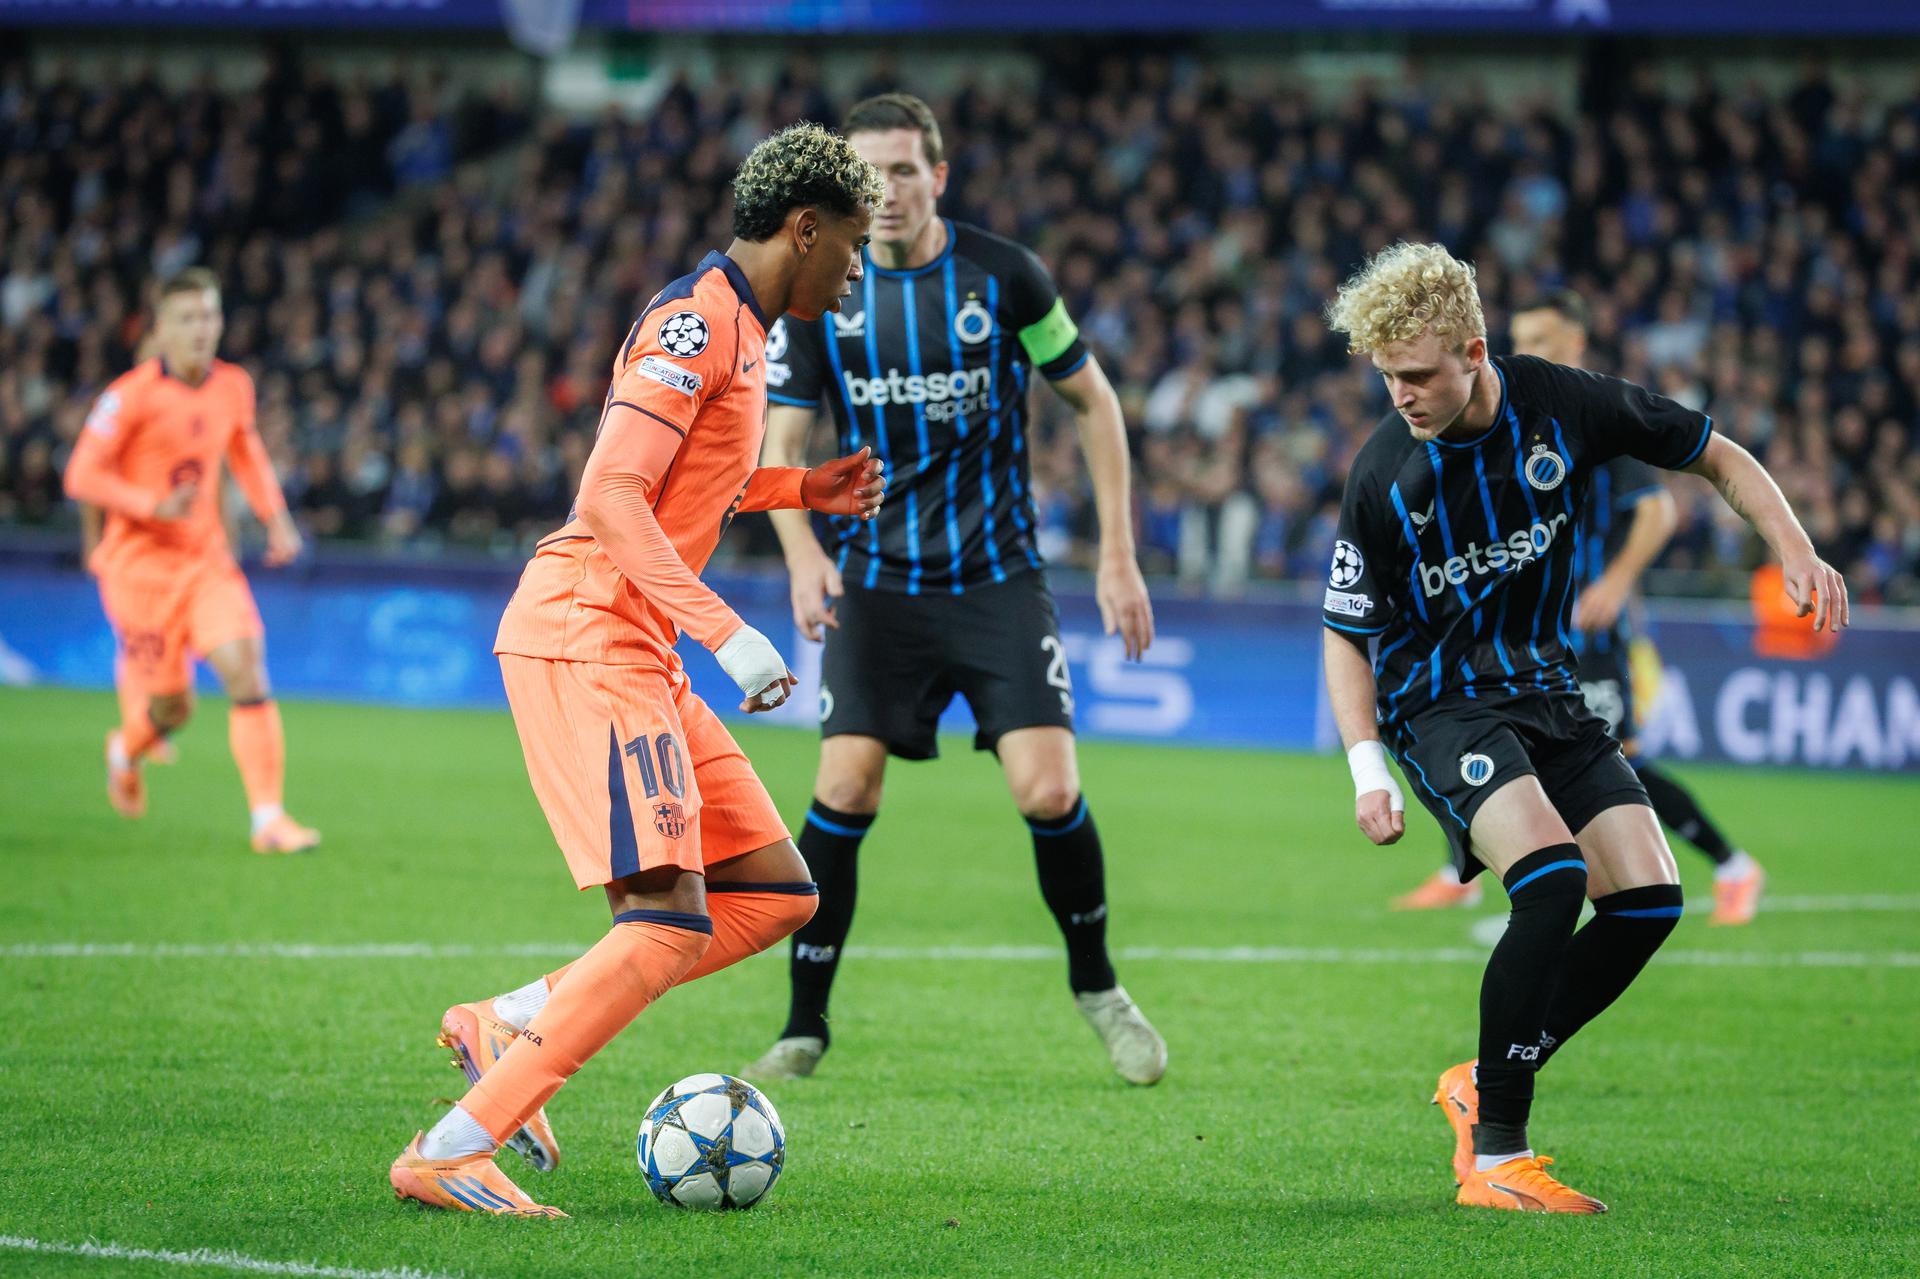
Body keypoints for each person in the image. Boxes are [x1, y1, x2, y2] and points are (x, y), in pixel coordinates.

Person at [388, 123, 888, 1217]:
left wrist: (800, 489)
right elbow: (611, 493)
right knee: (666, 915)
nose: (856, 269)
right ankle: (454, 1147)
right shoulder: (692, 322)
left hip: (640, 646)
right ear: (805, 229)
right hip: (592, 634)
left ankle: (511, 1019)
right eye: (853, 245)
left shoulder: (746, 330)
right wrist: (728, 632)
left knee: (777, 892)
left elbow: (692, 477)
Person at [1321, 244, 1845, 1213]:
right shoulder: (1386, 472)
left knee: (1648, 898)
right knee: (1554, 877)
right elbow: (1345, 633)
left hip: (1548, 692)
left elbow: (1714, 452)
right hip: (1440, 705)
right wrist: (1367, 768)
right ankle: (1497, 1155)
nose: (1401, 395)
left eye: (1419, 374)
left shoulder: (1564, 403)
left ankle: (1481, 1078)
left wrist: (1795, 547)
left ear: (1475, 352)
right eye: (1388, 376)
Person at [745, 93, 1165, 1086]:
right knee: (843, 786)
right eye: (867, 174)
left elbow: (1094, 402)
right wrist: (802, 552)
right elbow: (780, 442)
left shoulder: (1005, 275)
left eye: (904, 169)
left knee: (1049, 787)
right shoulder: (822, 293)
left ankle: (1099, 987)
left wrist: (1118, 554)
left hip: (997, 576)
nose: (886, 190)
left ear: (938, 175)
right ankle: (803, 1025)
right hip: (877, 581)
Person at [1392, 291, 1764, 924]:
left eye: (1541, 339)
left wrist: (1615, 583)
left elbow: (1658, 509)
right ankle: (1464, 872)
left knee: (1611, 761)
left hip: (1589, 633)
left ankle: (1732, 865)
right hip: (1530, 636)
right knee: (1497, 742)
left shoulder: (1589, 417)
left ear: (1575, 342)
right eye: (1521, 338)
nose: (1526, 351)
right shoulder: (1510, 420)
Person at [62, 267, 317, 853]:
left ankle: (268, 820)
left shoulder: (233, 385)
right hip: (140, 570)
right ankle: (125, 750)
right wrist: (151, 504)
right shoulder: (127, 397)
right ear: (161, 329)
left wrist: (275, 518)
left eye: (209, 315)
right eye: (187, 318)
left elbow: (245, 447)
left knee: (246, 667)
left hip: (205, 562)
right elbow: (81, 475)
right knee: (173, 708)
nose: (201, 329)